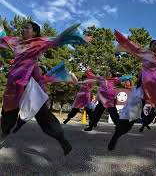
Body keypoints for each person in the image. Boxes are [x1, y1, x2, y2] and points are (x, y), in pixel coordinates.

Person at [0, 22, 90, 155]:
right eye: (23, 27)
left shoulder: (38, 43)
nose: (23, 29)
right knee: (8, 114)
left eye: (27, 27)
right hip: (14, 85)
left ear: (35, 32)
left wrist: (79, 37)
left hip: (31, 87)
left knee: (44, 116)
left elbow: (58, 39)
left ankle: (62, 139)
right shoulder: (15, 42)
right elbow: (3, 38)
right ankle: (4, 133)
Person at [107, 31, 156, 150]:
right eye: (154, 44)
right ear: (150, 46)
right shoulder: (145, 53)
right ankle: (116, 136)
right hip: (144, 87)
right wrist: (121, 38)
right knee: (131, 111)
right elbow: (131, 45)